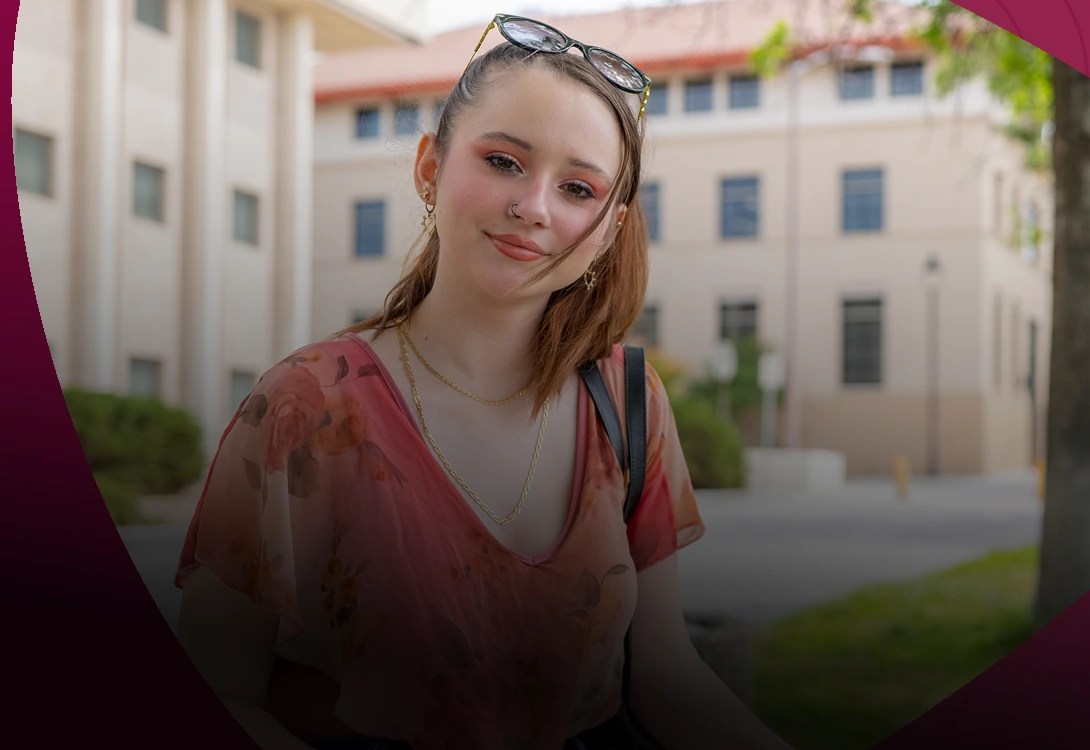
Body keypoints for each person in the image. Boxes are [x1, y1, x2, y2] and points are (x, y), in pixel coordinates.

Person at [172, 16, 795, 750]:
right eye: (503, 161)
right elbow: (218, 693)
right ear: (430, 168)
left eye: (576, 187)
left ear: (609, 227)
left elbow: (666, 678)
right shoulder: (304, 405)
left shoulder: (628, 405)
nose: (533, 207)